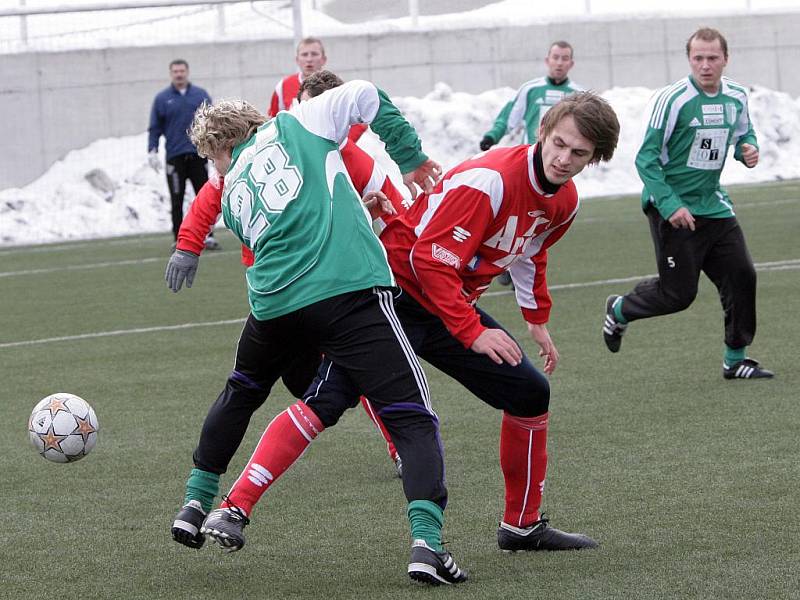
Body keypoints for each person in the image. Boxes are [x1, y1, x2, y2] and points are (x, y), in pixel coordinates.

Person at [220, 91, 621, 555]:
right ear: (543, 131)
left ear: (595, 158)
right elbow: (428, 261)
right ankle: (235, 506)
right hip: (397, 295)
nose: (564, 159)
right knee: (328, 399)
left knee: (530, 393)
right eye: (559, 144)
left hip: (447, 303)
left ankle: (522, 527)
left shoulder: (564, 201)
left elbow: (530, 252)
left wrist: (537, 320)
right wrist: (473, 331)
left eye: (579, 154)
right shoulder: (491, 179)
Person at [167, 81, 467, 584]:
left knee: (244, 391)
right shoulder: (297, 121)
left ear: (223, 147)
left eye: (212, 158)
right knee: (412, 415)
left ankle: (196, 502)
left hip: (274, 307)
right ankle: (427, 545)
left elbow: (288, 223)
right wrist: (410, 158)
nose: (215, 167)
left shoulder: (233, 187)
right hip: (346, 294)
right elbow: (367, 94)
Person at [168, 71, 405, 480]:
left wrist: (393, 226)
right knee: (305, 383)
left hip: (325, 279)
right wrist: (188, 244)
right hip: (277, 282)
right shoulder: (271, 148)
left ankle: (396, 442)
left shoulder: (341, 152)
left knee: (324, 376)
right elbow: (214, 194)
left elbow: (391, 205)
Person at [602, 27, 773, 381]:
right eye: (698, 58)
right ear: (689, 59)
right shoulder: (673, 99)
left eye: (713, 58)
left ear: (726, 58)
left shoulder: (737, 96)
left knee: (742, 275)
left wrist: (747, 150)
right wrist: (670, 205)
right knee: (677, 295)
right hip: (672, 208)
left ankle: (735, 358)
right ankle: (620, 309)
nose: (706, 65)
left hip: (713, 205)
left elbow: (744, 133)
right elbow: (645, 159)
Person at [480, 40, 582, 287]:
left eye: (564, 58)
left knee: (542, 221)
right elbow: (510, 116)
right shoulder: (530, 90)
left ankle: (516, 263)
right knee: (512, 214)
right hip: (529, 167)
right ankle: (504, 260)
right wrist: (492, 136)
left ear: (571, 63)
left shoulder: (579, 96)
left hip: (559, 172)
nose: (559, 63)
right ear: (547, 60)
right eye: (555, 57)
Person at [148, 59, 219, 250]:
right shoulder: (162, 99)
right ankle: (179, 239)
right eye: (175, 71)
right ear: (171, 74)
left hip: (198, 155)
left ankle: (208, 236)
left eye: (182, 71)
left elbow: (212, 122)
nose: (179, 74)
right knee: (177, 199)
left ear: (187, 72)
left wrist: (215, 148)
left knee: (205, 198)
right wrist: (152, 149)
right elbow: (154, 128)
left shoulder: (200, 95)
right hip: (175, 157)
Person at [268, 37, 327, 117]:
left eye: (314, 54)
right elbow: (273, 120)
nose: (309, 59)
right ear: (297, 60)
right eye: (304, 54)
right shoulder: (283, 86)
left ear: (324, 59)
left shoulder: (334, 86)